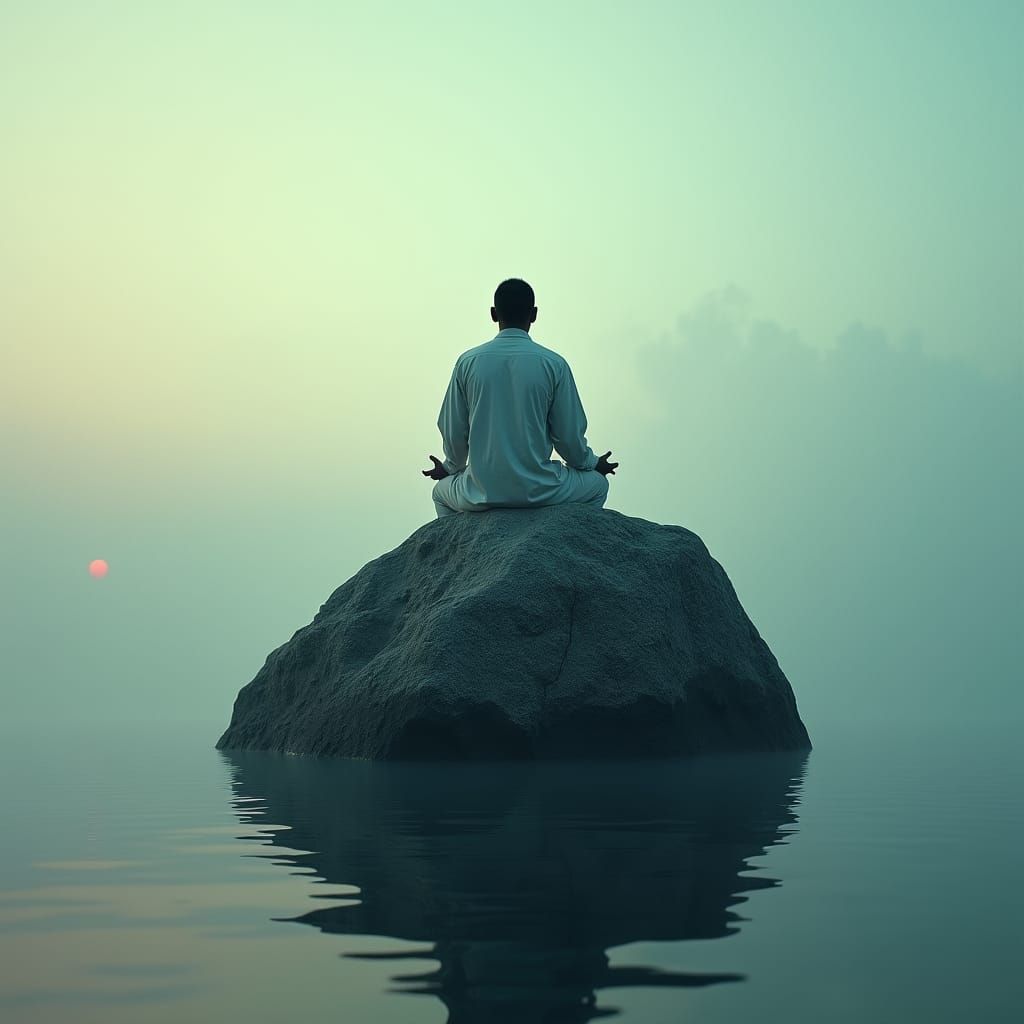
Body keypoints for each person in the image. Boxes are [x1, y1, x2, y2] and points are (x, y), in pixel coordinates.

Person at [423, 278, 618, 518]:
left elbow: (454, 430)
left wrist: (449, 467)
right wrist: (592, 463)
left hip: (480, 492)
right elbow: (568, 438)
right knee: (598, 486)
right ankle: (562, 538)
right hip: (540, 491)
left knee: (439, 492)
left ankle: (458, 552)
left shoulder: (468, 363)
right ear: (534, 314)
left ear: (494, 314)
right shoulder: (553, 364)